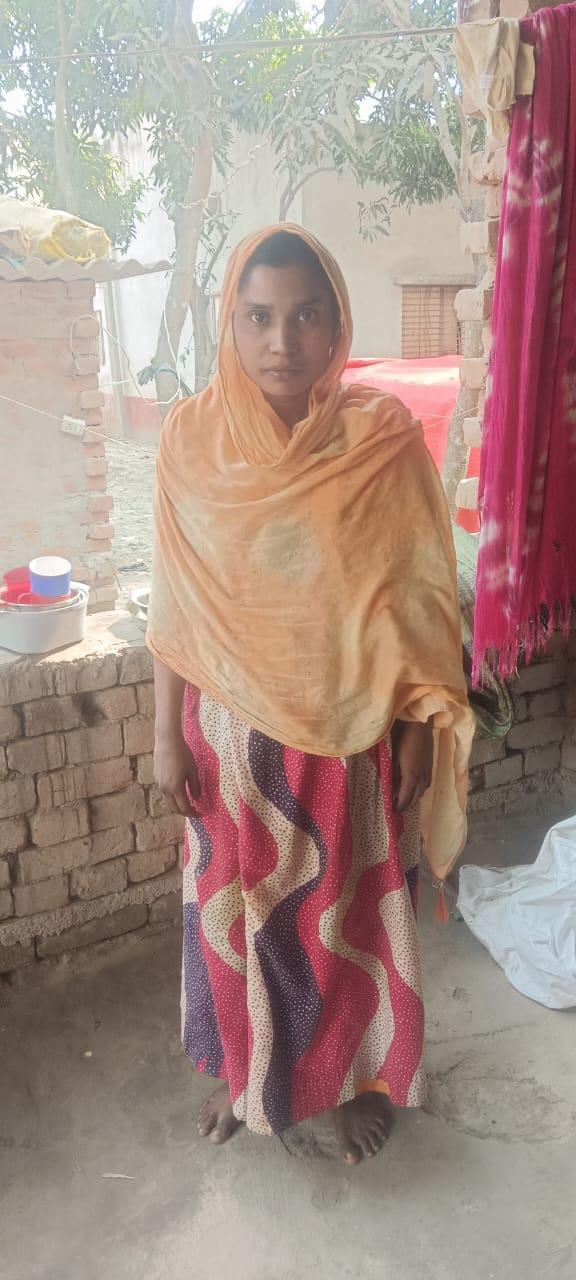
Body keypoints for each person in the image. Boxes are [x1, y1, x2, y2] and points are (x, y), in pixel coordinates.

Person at [148, 225, 474, 1166]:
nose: (280, 341)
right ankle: (244, 1075)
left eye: (304, 316)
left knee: (338, 928)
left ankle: (347, 1085)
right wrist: (164, 733)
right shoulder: (190, 441)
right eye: (258, 317)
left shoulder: (381, 440)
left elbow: (412, 599)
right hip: (227, 744)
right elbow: (174, 603)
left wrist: (417, 728)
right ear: (230, 323)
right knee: (236, 922)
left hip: (345, 741)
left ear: (337, 324)